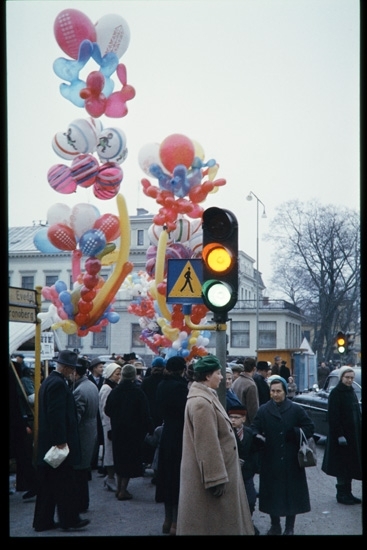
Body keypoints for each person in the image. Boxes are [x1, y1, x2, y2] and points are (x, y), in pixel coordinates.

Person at [176, 355, 255, 536]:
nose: (221, 377)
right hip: (214, 479)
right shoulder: (201, 403)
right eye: (218, 373)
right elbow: (207, 444)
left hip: (216, 473)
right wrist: (215, 479)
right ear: (207, 376)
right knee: (214, 525)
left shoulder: (203, 397)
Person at [32, 350, 90, 532]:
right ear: (65, 367)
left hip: (49, 444)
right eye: (72, 368)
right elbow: (56, 415)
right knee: (65, 484)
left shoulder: (49, 381)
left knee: (48, 485)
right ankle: (69, 519)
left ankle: (43, 521)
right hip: (57, 445)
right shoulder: (58, 384)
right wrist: (60, 441)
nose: (73, 372)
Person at [251, 376, 314, 535]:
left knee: (291, 494)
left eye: (278, 391)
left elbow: (309, 427)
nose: (275, 394)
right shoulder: (264, 409)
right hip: (270, 459)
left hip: (291, 460)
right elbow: (254, 427)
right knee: (273, 494)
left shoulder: (295, 409)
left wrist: (294, 433)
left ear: (285, 392)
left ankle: (289, 527)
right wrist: (258, 437)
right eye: (272, 391)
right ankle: (275, 525)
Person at [105, 364, 154, 501]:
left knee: (119, 459)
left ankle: (119, 488)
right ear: (133, 376)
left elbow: (107, 410)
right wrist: (150, 429)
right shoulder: (137, 392)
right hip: (133, 433)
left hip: (117, 431)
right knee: (129, 461)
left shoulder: (115, 391)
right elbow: (145, 413)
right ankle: (123, 490)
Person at [155, 355, 188, 536]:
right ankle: (176, 523)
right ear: (182, 369)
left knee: (166, 477)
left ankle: (167, 521)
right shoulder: (181, 388)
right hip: (180, 435)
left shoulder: (162, 385)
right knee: (177, 479)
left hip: (167, 434)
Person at [321, 366, 362, 505]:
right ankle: (341, 494)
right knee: (341, 466)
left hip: (352, 436)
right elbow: (333, 416)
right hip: (341, 438)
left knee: (350, 465)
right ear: (341, 378)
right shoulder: (336, 393)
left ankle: (348, 493)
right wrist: (339, 435)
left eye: (351, 378)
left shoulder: (351, 392)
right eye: (347, 378)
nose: (350, 380)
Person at [72, 358, 100, 514]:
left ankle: (81, 503)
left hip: (83, 435)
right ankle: (83, 502)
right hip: (90, 432)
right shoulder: (91, 385)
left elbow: (76, 418)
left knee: (79, 473)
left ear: (76, 373)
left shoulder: (80, 390)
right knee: (83, 472)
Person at [228, 405, 260, 535]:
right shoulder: (226, 433)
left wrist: (250, 466)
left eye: (237, 417)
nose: (233, 420)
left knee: (250, 500)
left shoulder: (249, 433)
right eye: (231, 417)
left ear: (244, 418)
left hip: (246, 474)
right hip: (231, 474)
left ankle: (248, 521)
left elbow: (255, 453)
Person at [99, 362, 122, 493]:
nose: (119, 377)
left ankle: (111, 478)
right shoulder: (107, 389)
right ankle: (110, 477)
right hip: (108, 425)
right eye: (116, 374)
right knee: (109, 453)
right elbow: (104, 410)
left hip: (113, 424)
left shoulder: (113, 387)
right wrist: (109, 427)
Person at [87, 357, 106, 472]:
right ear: (94, 368)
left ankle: (103, 464)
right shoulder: (88, 380)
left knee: (103, 438)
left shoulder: (104, 380)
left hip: (102, 413)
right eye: (100, 367)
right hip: (93, 412)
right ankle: (92, 462)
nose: (102, 369)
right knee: (94, 439)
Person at [232, 357, 259, 426]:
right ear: (254, 369)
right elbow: (253, 409)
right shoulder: (251, 385)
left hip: (235, 420)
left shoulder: (236, 381)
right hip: (245, 423)